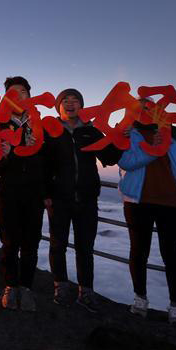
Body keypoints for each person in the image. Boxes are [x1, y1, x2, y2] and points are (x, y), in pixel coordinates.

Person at [118, 100, 176, 325]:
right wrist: (153, 150)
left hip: (172, 203)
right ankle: (140, 299)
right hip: (138, 202)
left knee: (172, 256)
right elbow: (126, 163)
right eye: (139, 109)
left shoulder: (175, 135)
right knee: (139, 253)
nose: (144, 112)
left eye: (149, 108)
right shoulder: (128, 134)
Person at [43, 89, 122, 312]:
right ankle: (61, 286)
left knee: (85, 248)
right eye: (65, 101)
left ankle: (85, 291)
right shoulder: (51, 131)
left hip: (87, 198)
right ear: (58, 107)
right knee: (58, 245)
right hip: (59, 198)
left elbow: (110, 157)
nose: (70, 104)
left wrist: (116, 136)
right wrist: (46, 193)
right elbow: (44, 165)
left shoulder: (91, 131)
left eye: (75, 100)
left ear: (81, 105)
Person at [0, 76, 48, 311]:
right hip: (9, 191)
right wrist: (5, 155)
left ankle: (27, 288)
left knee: (31, 243)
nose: (18, 97)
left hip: (34, 193)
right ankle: (10, 287)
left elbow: (50, 163)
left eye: (23, 92)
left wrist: (38, 147)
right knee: (10, 242)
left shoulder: (40, 123)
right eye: (13, 93)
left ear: (29, 96)